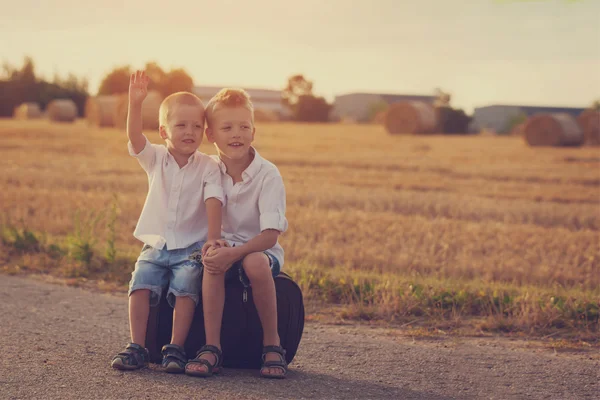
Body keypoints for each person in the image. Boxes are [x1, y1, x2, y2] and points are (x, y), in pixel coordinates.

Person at [111, 71, 223, 373]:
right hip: (156, 243)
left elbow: (215, 200)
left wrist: (213, 237)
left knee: (186, 287)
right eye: (182, 125)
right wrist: (136, 104)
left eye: (197, 126)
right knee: (140, 283)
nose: (190, 131)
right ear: (163, 131)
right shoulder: (155, 158)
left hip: (190, 247)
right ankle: (137, 346)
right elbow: (134, 138)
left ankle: (175, 348)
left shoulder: (209, 166)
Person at [184, 88, 289, 379]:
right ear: (211, 135)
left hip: (260, 251)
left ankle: (272, 344)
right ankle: (212, 347)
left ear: (253, 132)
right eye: (227, 127)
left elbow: (270, 236)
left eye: (244, 127)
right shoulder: (208, 170)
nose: (237, 134)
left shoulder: (268, 174)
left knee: (253, 262)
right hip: (224, 248)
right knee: (212, 257)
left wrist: (236, 253)